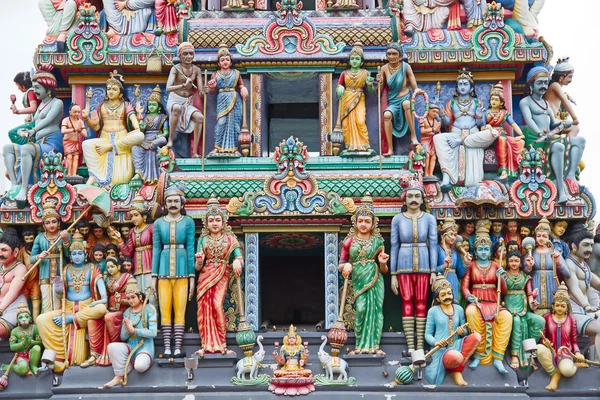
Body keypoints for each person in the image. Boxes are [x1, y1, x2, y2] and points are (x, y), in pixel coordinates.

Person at [36, 232, 108, 372]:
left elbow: (103, 296)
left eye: (80, 253)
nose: (76, 256)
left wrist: (101, 300)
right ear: (70, 255)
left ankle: (73, 319)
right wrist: (57, 289)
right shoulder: (65, 269)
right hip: (67, 308)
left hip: (86, 309)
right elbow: (60, 293)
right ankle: (59, 356)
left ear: (86, 255)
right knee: (41, 320)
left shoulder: (92, 268)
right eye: (73, 253)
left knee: (100, 309)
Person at [520, 66, 585, 204]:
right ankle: (561, 192)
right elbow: (529, 119)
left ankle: (570, 176)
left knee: (580, 141)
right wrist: (539, 132)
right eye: (539, 83)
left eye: (545, 83)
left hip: (549, 137)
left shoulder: (546, 105)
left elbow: (552, 124)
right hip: (535, 139)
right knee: (559, 148)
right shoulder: (525, 102)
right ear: (531, 85)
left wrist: (563, 123)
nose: (543, 86)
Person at [3, 64, 64, 201]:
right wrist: (24, 130)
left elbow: (48, 120)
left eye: (37, 88)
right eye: (34, 87)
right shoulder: (40, 106)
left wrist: (33, 130)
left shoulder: (56, 103)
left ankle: (24, 189)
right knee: (7, 148)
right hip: (38, 142)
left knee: (26, 149)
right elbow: (35, 123)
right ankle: (15, 184)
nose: (34, 91)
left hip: (52, 143)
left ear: (48, 89)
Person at [390, 179, 438, 353]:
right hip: (403, 262)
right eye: (410, 196)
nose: (413, 199)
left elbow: (433, 245)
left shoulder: (429, 219)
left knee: (421, 302)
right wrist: (393, 274)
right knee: (407, 301)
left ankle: (420, 345)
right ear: (404, 198)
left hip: (425, 263)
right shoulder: (397, 219)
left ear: (422, 198)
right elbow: (394, 246)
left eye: (417, 196)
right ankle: (410, 345)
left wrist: (434, 271)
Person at [339, 195, 388, 355]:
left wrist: (382, 263)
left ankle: (374, 345)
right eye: (361, 221)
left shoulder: (378, 242)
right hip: (359, 279)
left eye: (367, 221)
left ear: (373, 223)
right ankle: (360, 345)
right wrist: (345, 265)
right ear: (355, 222)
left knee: (375, 311)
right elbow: (341, 263)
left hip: (375, 279)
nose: (363, 224)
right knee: (360, 309)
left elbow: (384, 270)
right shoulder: (349, 242)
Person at [194, 197, 244, 356]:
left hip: (222, 272)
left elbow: (238, 256)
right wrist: (199, 261)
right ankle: (206, 344)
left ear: (223, 223)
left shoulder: (230, 238)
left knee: (216, 305)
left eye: (217, 220)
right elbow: (197, 266)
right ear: (206, 224)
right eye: (211, 220)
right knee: (204, 309)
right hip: (205, 275)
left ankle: (222, 344)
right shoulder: (203, 239)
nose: (214, 223)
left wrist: (237, 261)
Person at [433, 68, 498, 188]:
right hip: (455, 134)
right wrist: (441, 114)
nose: (462, 86)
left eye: (465, 84)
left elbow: (481, 124)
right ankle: (447, 177)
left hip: (473, 135)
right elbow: (446, 123)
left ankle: (462, 141)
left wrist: (478, 117)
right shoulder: (452, 102)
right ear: (457, 87)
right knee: (437, 138)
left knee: (494, 132)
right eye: (460, 84)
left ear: (471, 88)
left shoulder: (477, 102)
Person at [461, 226, 512, 374]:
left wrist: (502, 279)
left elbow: (504, 291)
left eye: (486, 249)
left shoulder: (496, 265)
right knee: (471, 313)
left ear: (490, 251)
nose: (483, 252)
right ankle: (478, 354)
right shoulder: (471, 266)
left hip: (494, 303)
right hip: (477, 303)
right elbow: (465, 285)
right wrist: (468, 296)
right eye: (480, 249)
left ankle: (498, 357)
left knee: (506, 317)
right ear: (475, 251)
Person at [152, 184, 195, 357]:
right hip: (162, 271)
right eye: (169, 201)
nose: (173, 204)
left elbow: (191, 249)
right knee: (164, 310)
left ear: (182, 203)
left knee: (180, 311)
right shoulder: (158, 223)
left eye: (176, 201)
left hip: (183, 270)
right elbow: (156, 249)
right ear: (165, 204)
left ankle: (177, 347)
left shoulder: (188, 222)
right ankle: (166, 347)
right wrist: (153, 277)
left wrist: (192, 277)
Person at [82, 71, 144, 187]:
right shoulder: (101, 106)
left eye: (114, 89)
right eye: (109, 89)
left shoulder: (126, 105)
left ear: (121, 94)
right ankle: (94, 175)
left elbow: (137, 127)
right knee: (86, 144)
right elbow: (95, 127)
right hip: (104, 138)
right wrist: (86, 118)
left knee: (140, 136)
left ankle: (111, 147)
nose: (110, 91)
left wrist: (138, 122)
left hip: (121, 141)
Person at [425, 275, 481, 386]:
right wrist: (435, 342)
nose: (447, 297)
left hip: (457, 344)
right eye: (443, 295)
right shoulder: (433, 311)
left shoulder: (459, 309)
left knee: (476, 337)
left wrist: (462, 332)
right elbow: (427, 334)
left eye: (449, 293)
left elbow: (464, 332)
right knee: (456, 357)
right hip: (441, 349)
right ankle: (456, 371)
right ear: (437, 298)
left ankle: (456, 369)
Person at [84, 256, 138, 367]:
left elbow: (134, 300)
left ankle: (114, 349)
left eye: (112, 266)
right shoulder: (108, 280)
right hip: (110, 311)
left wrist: (121, 300)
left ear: (119, 267)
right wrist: (104, 309)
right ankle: (95, 354)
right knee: (91, 321)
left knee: (109, 318)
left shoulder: (128, 278)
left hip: (124, 312)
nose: (110, 269)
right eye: (108, 267)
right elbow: (106, 298)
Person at [536, 282, 585, 391]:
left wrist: (577, 353)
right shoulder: (547, 318)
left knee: (567, 371)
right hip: (551, 353)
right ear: (553, 306)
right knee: (539, 349)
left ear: (567, 308)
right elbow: (541, 337)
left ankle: (575, 366)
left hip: (565, 354)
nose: (559, 308)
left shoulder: (570, 320)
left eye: (563, 306)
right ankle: (554, 374)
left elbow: (574, 341)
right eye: (557, 305)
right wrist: (544, 342)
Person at [562, 223, 600, 362]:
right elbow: (574, 288)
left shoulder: (584, 265)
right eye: (586, 245)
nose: (590, 249)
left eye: (591, 245)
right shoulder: (569, 263)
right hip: (577, 313)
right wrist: (586, 305)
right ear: (573, 246)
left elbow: (596, 283)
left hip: (588, 312)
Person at [104, 289, 157, 388]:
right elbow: (123, 337)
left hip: (144, 348)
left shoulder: (149, 309)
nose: (130, 301)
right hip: (130, 346)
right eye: (128, 298)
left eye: (133, 297)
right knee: (112, 347)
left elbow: (153, 333)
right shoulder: (127, 312)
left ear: (140, 297)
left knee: (140, 366)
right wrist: (128, 330)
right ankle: (119, 375)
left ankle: (131, 365)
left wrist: (134, 331)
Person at [377, 43, 422, 156]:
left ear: (400, 56)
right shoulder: (384, 68)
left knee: (407, 104)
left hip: (405, 97)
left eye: (394, 54)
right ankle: (390, 149)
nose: (391, 56)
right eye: (389, 54)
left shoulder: (405, 67)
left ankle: (413, 136)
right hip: (393, 101)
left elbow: (413, 83)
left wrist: (416, 90)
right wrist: (379, 82)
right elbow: (380, 91)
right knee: (387, 115)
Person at [503, 250, 545, 369]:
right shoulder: (504, 275)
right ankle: (515, 355)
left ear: (521, 263)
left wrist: (533, 304)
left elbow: (530, 294)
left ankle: (530, 353)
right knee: (516, 321)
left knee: (539, 321)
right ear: (507, 262)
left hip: (524, 310)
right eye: (511, 261)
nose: (514, 263)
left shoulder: (526, 277)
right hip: (509, 310)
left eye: (516, 261)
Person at [112, 196, 155, 305]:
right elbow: (129, 252)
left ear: (144, 216)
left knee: (152, 293)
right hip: (137, 267)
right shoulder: (132, 231)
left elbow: (156, 247)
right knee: (138, 294)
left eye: (136, 215)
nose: (134, 219)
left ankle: (152, 318)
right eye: (132, 216)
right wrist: (119, 240)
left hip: (150, 265)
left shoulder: (151, 227)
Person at [29, 201, 71, 314]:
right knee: (46, 301)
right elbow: (31, 259)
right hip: (44, 275)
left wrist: (66, 241)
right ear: (43, 225)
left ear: (58, 223)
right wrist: (39, 256)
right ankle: (47, 324)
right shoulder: (39, 238)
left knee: (58, 299)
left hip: (60, 273)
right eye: (47, 222)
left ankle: (58, 325)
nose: (51, 225)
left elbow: (69, 257)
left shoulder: (64, 235)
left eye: (54, 221)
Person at [165, 42, 205, 158]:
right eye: (185, 54)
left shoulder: (196, 70)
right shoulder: (176, 68)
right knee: (177, 108)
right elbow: (168, 88)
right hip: (175, 100)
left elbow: (200, 91)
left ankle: (195, 152)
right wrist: (182, 85)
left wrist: (206, 90)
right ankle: (171, 140)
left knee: (200, 117)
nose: (188, 57)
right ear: (180, 56)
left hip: (187, 101)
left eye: (191, 54)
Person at [523, 218, 569, 316]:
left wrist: (559, 263)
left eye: (544, 236)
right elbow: (525, 273)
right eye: (538, 236)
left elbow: (567, 273)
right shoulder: (530, 253)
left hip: (552, 284)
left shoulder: (554, 252)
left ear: (548, 237)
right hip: (536, 284)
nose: (541, 238)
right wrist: (529, 267)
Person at [208, 45, 248, 156]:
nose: (225, 62)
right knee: (221, 123)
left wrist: (243, 88)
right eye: (222, 60)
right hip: (221, 98)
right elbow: (211, 92)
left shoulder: (236, 73)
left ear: (230, 62)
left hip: (234, 98)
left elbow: (241, 85)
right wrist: (212, 87)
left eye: (227, 59)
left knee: (234, 124)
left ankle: (234, 148)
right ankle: (217, 147)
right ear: (218, 63)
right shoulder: (215, 74)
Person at [336, 44, 375, 154]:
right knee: (345, 124)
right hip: (347, 98)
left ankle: (364, 145)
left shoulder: (366, 73)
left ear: (361, 62)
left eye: (357, 59)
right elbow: (339, 85)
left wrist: (370, 84)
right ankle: (349, 147)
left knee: (361, 121)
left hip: (359, 97)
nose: (354, 61)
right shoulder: (344, 73)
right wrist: (339, 89)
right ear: (349, 61)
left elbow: (371, 91)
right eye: (352, 58)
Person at [484, 83, 525, 180]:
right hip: (489, 135)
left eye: (496, 100)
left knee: (520, 142)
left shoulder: (504, 113)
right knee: (502, 139)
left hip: (501, 134)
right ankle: (503, 171)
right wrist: (488, 127)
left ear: (501, 103)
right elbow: (481, 127)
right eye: (492, 99)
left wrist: (521, 134)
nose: (493, 101)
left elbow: (513, 124)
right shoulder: (486, 113)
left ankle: (517, 171)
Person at [133, 85, 168, 184]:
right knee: (135, 148)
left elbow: (166, 133)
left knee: (163, 140)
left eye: (154, 105)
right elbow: (142, 131)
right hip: (145, 139)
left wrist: (161, 136)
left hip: (157, 138)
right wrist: (142, 126)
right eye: (150, 104)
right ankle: (138, 172)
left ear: (159, 107)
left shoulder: (163, 117)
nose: (151, 107)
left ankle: (156, 174)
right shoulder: (145, 117)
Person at [0, 229, 28, 339]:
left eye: (4, 250)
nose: (0, 253)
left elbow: (12, 292)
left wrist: (0, 309)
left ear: (15, 252)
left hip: (13, 308)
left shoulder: (20, 269)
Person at [3, 303, 42, 376]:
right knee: (23, 370)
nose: (24, 319)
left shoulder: (35, 328)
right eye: (20, 317)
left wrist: (32, 342)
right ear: (17, 320)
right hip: (21, 356)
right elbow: (12, 347)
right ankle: (12, 366)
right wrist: (23, 343)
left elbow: (40, 343)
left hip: (32, 353)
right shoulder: (15, 331)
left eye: (26, 317)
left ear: (30, 318)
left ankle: (33, 366)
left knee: (37, 348)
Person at [543, 58, 579, 137]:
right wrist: (574, 118)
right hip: (550, 121)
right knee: (575, 129)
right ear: (561, 77)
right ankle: (567, 146)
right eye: (570, 77)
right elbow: (565, 101)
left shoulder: (554, 86)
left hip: (553, 120)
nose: (571, 80)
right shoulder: (555, 85)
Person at [437, 217, 467, 302]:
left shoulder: (455, 252)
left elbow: (461, 273)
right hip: (442, 280)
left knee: (454, 305)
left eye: (455, 235)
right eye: (451, 234)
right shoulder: (437, 249)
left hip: (454, 280)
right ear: (443, 235)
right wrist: (443, 266)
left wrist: (466, 263)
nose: (453, 237)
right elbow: (432, 270)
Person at [8, 71, 39, 145]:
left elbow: (33, 108)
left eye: (18, 85)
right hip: (36, 120)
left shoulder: (31, 92)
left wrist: (17, 111)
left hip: (39, 121)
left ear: (23, 84)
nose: (18, 88)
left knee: (12, 133)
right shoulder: (31, 91)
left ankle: (31, 144)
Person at [17, 229, 41, 321]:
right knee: (22, 303)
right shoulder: (22, 251)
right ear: (24, 239)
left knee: (36, 304)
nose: (29, 241)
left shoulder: (39, 250)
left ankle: (35, 324)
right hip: (25, 280)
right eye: (27, 239)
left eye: (31, 238)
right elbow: (19, 264)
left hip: (36, 281)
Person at [61, 103, 87, 176]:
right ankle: (69, 173)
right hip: (68, 141)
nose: (77, 113)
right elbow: (63, 131)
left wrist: (80, 131)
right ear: (70, 112)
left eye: (79, 112)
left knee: (76, 157)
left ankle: (74, 173)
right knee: (69, 157)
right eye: (75, 112)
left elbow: (85, 134)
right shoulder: (66, 120)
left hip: (76, 142)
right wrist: (74, 129)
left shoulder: (80, 121)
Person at [419, 104, 441, 177]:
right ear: (428, 111)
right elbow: (422, 131)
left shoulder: (436, 122)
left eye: (436, 112)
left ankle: (431, 173)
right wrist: (433, 129)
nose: (435, 113)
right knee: (427, 155)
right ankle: (426, 174)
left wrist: (438, 131)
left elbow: (438, 132)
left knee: (434, 156)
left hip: (432, 139)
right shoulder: (423, 120)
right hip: (425, 139)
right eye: (433, 111)